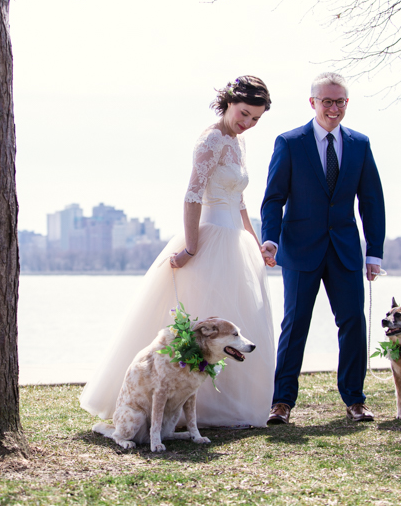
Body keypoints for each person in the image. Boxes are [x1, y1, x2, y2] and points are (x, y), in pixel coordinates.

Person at [80, 76, 277, 428]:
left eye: (255, 119)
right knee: (201, 321)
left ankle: (227, 404)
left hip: (238, 242)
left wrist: (255, 239)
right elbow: (192, 195)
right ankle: (178, 402)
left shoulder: (237, 141)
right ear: (229, 102)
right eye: (244, 114)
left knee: (236, 321)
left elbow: (241, 200)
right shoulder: (212, 139)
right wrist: (191, 247)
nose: (247, 124)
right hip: (210, 237)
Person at [260, 72, 386, 425]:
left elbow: (372, 201)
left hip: (344, 249)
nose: (333, 108)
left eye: (340, 101)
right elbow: (273, 199)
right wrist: (270, 239)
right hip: (300, 248)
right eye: (327, 101)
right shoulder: (289, 142)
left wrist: (373, 252)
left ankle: (355, 400)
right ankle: (281, 402)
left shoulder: (360, 144)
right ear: (312, 102)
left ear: (347, 103)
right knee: (295, 324)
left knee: (353, 324)